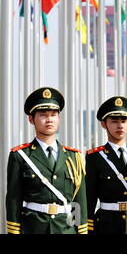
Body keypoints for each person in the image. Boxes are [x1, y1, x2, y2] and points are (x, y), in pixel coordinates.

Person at [6, 87, 87, 234]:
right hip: (34, 227)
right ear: (31, 119)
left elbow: (79, 199)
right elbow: (13, 199)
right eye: (43, 115)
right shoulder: (20, 155)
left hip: (66, 228)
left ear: (59, 118)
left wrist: (81, 230)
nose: (49, 119)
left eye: (53, 115)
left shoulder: (73, 157)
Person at [86, 96, 127, 234]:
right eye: (114, 121)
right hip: (107, 223)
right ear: (104, 124)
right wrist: (88, 226)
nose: (120, 126)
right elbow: (89, 196)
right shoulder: (95, 157)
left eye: (124, 121)